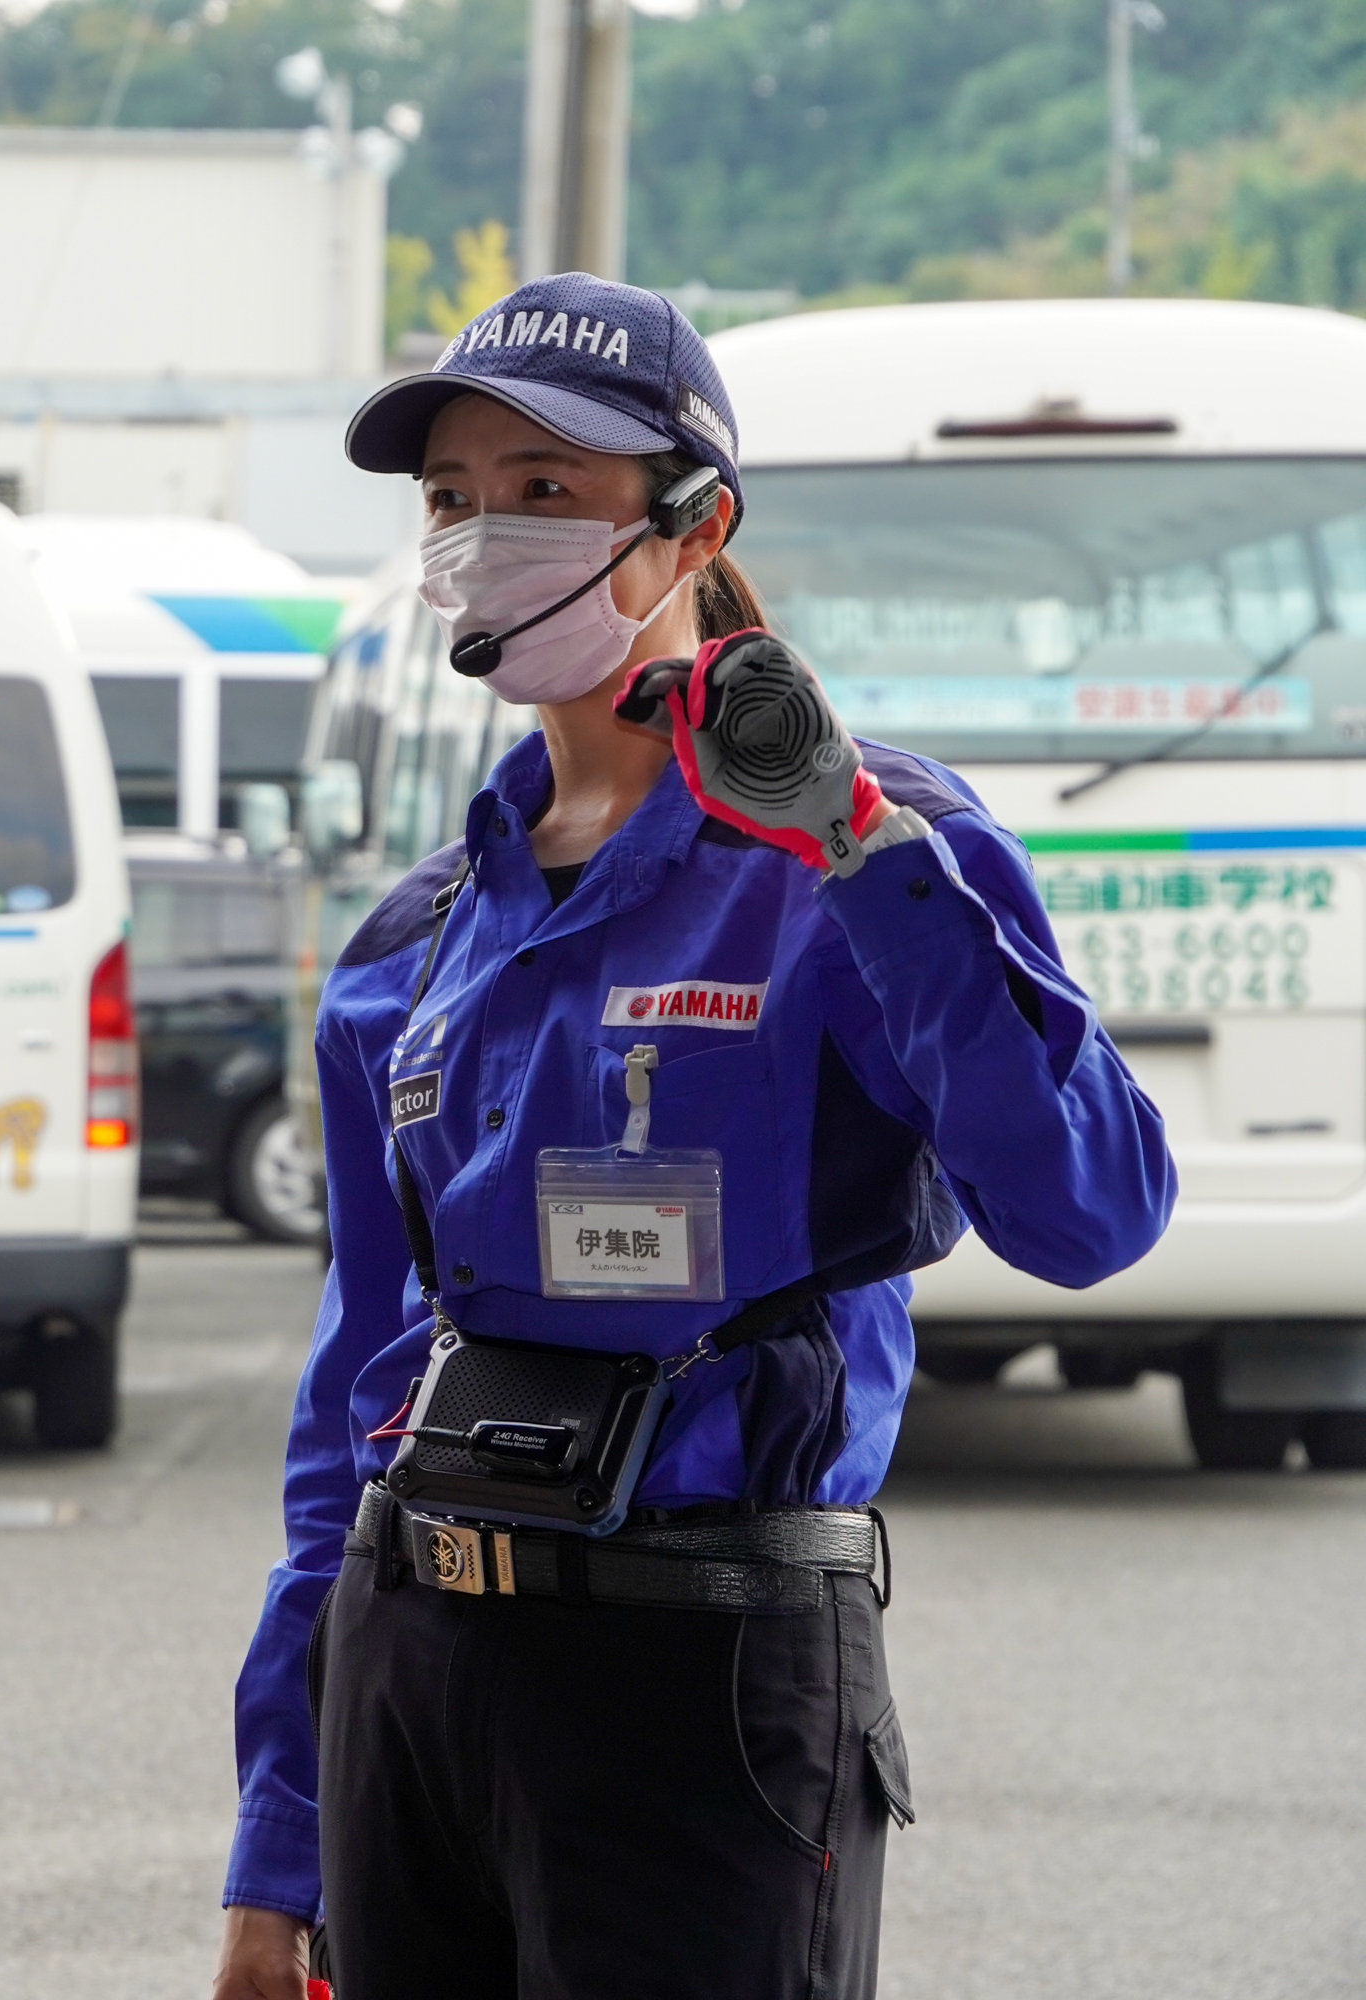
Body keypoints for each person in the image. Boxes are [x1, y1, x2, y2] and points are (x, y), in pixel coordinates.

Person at [211, 276, 1174, 1999]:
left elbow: (1091, 1212)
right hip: (412, 1665)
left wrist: (855, 843)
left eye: (546, 490)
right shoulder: (414, 938)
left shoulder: (872, 849)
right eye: (451, 498)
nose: (483, 536)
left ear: (691, 525)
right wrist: (278, 1847)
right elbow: (350, 1389)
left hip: (706, 1671)